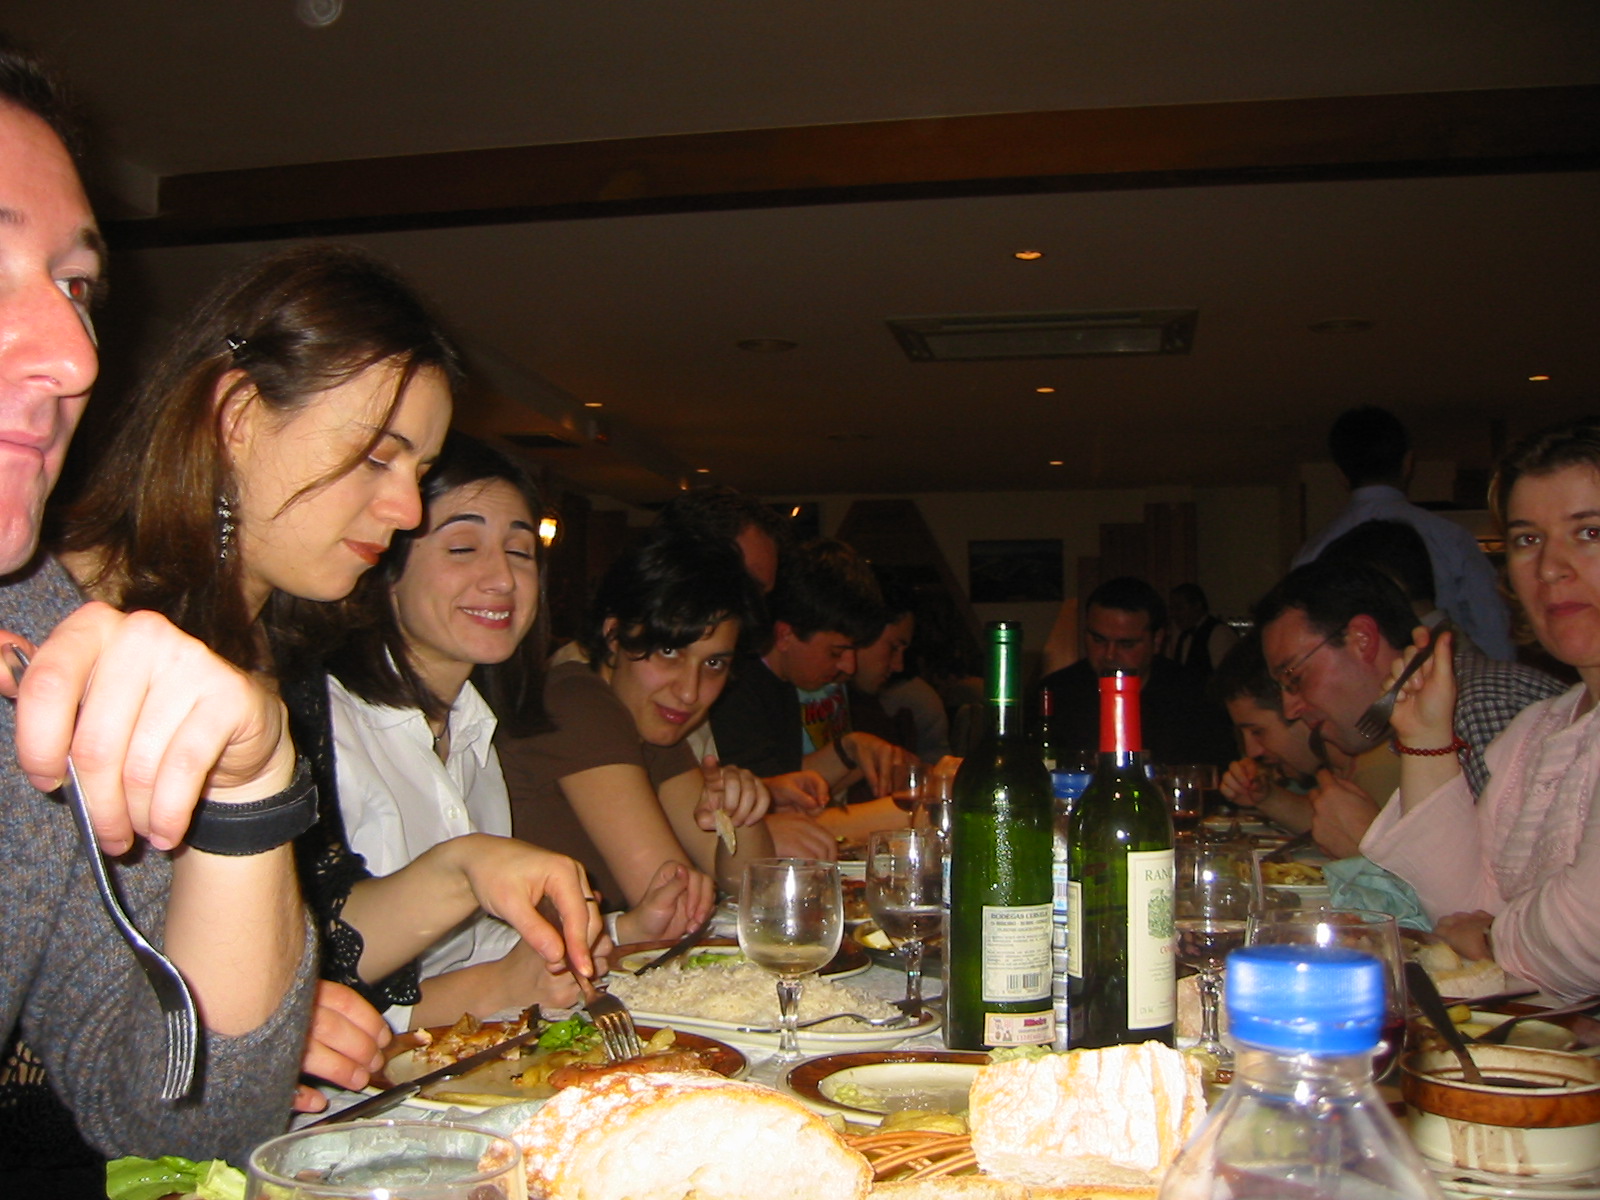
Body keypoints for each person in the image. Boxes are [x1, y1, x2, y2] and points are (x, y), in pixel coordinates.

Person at [54, 245, 604, 1105]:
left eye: (419, 472)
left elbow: (314, 930)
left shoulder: (282, 662)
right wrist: (233, 1028)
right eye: (379, 456)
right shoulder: (62, 632)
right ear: (238, 416)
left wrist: (463, 867)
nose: (407, 509)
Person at [0, 39, 314, 1171]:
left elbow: (180, 1121)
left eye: (75, 289)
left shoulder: (40, 642)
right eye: (376, 452)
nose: (74, 356)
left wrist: (252, 789)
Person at [328, 434, 688, 1031]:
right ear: (386, 567)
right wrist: (494, 986)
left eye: (520, 552)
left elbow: (476, 946)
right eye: (463, 548)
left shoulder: (474, 728)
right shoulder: (325, 732)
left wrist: (621, 930)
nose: (501, 579)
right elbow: (296, 1006)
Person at [1361, 415, 1600, 1000]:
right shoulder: (1540, 729)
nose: (1550, 567)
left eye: (1589, 532)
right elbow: (1459, 904)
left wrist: (1494, 940)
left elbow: (1588, 929)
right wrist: (1426, 738)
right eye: (1527, 540)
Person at [502, 526, 774, 917]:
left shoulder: (651, 724)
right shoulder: (577, 701)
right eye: (670, 651)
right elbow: (675, 905)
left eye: (714, 663)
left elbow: (755, 889)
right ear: (614, 635)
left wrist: (743, 814)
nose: (689, 692)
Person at [1254, 560, 1561, 832]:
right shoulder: (1421, 718)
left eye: (1294, 678)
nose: (1289, 709)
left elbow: (1528, 875)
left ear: (1362, 640)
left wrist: (1364, 851)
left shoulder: (1476, 707)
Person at [1293, 405, 1515, 660]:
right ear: (1408, 463)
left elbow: (1305, 642)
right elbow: (1493, 629)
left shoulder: (1312, 554)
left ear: (1340, 474)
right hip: (1450, 673)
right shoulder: (1450, 538)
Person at [711, 538, 907, 796]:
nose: (849, 667)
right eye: (836, 652)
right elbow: (773, 805)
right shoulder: (734, 690)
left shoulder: (785, 678)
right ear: (785, 635)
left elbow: (792, 779)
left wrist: (851, 749)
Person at [1211, 633, 1400, 856]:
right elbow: (1329, 827)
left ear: (1299, 712)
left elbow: (1390, 869)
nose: (1252, 751)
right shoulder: (1347, 768)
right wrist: (1267, 797)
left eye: (1257, 731)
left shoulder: (1379, 765)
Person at [1036, 576, 1236, 769]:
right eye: (1098, 640)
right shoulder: (1055, 695)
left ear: (1157, 640)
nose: (1109, 655)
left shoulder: (1197, 699)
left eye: (1126, 644)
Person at [1168, 582, 1239, 679]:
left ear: (1197, 606)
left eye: (1179, 608)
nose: (1174, 614)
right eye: (1172, 608)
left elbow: (1226, 677)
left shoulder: (1219, 634)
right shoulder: (1180, 635)